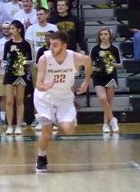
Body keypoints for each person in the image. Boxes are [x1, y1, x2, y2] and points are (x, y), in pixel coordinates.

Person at [33, 32, 91, 172]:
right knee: (46, 133)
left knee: (68, 129)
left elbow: (88, 60)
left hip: (64, 98)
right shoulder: (44, 59)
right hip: (44, 98)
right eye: (50, 44)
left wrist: (86, 82)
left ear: (64, 46)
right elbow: (38, 83)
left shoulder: (75, 58)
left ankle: (62, 119)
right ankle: (41, 158)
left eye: (55, 45)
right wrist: (45, 86)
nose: (51, 48)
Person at [90, 28, 122, 133]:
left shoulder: (114, 49)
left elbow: (121, 64)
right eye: (101, 34)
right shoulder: (95, 49)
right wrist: (97, 67)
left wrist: (110, 63)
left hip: (111, 76)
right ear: (99, 36)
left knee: (108, 102)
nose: (103, 36)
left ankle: (105, 125)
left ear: (109, 36)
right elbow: (89, 65)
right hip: (98, 76)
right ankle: (113, 120)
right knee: (102, 99)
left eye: (105, 34)